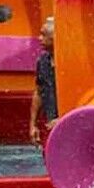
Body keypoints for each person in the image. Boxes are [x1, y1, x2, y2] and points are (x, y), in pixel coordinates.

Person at [29, 16, 58, 149]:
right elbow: (39, 91)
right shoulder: (43, 61)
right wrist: (33, 124)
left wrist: (63, 119)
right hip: (50, 123)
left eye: (44, 34)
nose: (40, 38)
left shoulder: (72, 61)